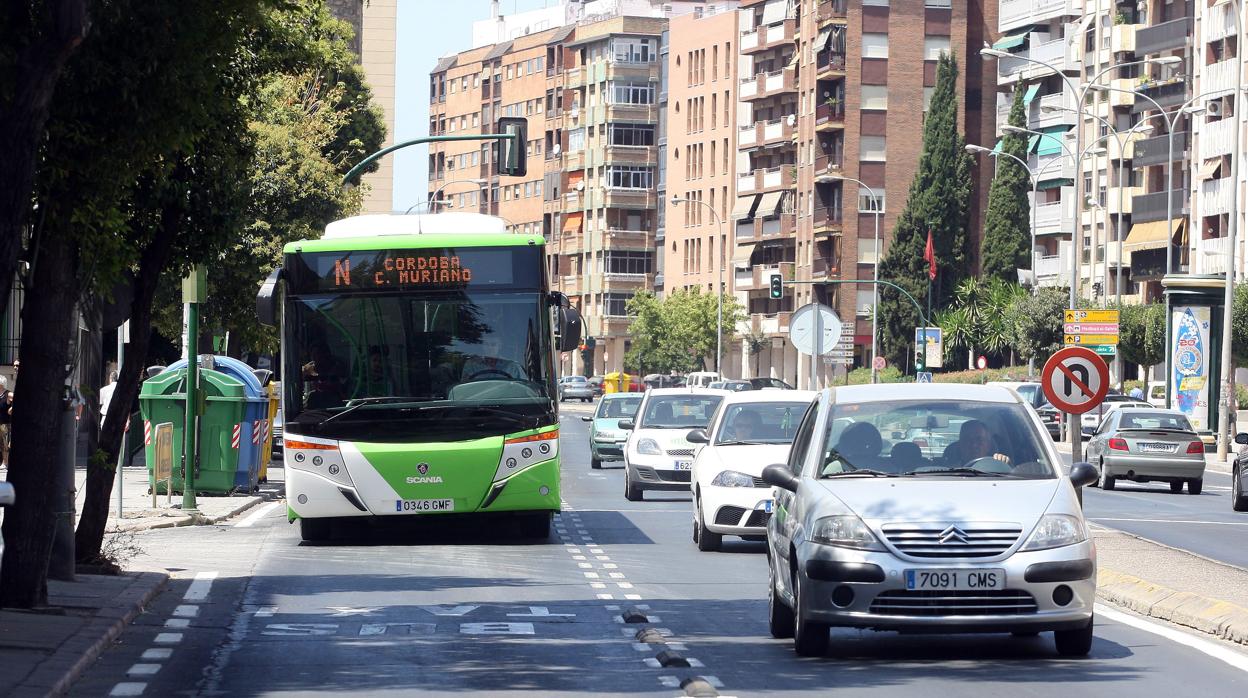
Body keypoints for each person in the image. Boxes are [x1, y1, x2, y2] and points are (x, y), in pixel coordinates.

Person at [0, 375, 10, 468]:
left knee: (4, 443)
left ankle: (5, 463)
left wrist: (11, 410)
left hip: (4, 423)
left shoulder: (8, 394)